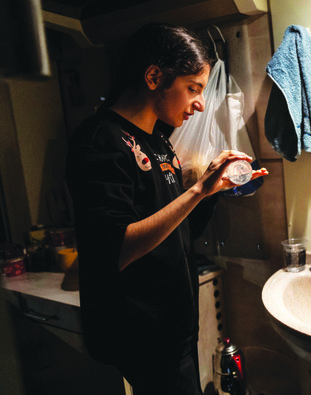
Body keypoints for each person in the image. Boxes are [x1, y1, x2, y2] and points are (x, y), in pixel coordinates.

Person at [66, 23, 267, 395]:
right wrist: (196, 192)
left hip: (174, 325)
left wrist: (212, 189)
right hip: (142, 334)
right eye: (193, 89)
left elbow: (177, 232)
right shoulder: (100, 141)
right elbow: (115, 250)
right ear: (154, 76)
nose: (200, 104)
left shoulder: (159, 140)